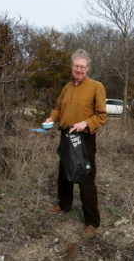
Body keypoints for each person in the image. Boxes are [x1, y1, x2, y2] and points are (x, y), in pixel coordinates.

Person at [46, 49, 107, 238]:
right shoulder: (67, 87)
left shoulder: (96, 86)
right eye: (76, 66)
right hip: (66, 136)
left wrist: (85, 124)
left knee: (86, 178)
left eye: (82, 66)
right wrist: (51, 119)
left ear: (87, 68)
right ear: (71, 67)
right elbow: (58, 108)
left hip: (84, 138)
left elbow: (101, 116)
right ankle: (64, 204)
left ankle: (92, 222)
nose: (79, 69)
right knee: (64, 172)